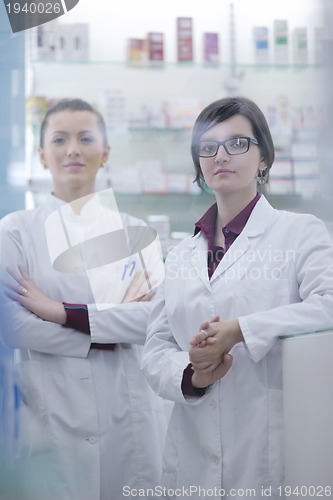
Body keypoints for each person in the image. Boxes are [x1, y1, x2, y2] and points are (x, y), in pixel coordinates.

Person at [141, 96, 333, 499]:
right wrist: (192, 375)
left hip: (269, 450)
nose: (221, 156)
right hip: (192, 452)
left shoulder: (300, 233)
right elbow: (156, 347)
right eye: (207, 147)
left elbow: (328, 303)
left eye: (237, 143)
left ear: (264, 157)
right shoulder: (180, 254)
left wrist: (241, 330)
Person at [0, 98, 167, 500]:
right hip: (51, 411)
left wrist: (59, 313)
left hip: (127, 411)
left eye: (85, 138)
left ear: (105, 153)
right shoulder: (15, 231)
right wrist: (110, 331)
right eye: (59, 139)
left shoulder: (137, 232)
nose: (72, 149)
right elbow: (15, 326)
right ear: (42, 155)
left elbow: (152, 321)